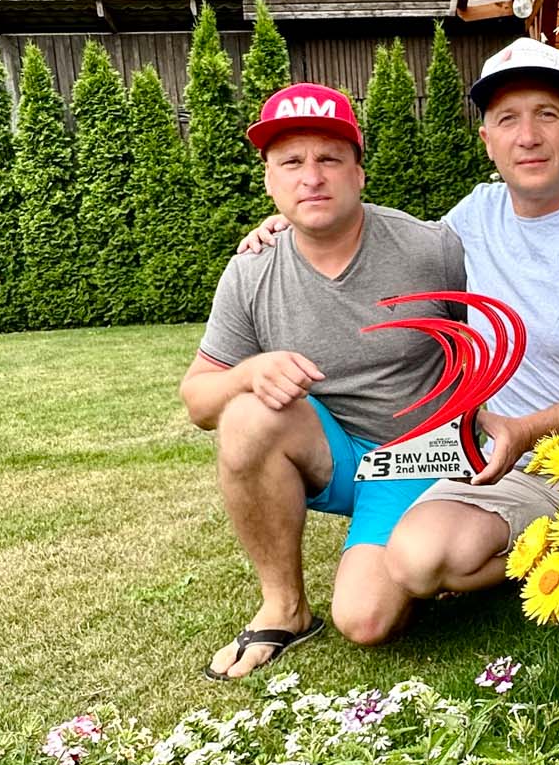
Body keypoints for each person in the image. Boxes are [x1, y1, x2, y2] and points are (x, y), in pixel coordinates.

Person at [241, 38, 559, 644]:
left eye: (546, 114)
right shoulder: (469, 221)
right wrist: (293, 221)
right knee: (416, 558)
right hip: (510, 468)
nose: (527, 136)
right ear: (487, 140)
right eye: (507, 119)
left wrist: (530, 427)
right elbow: (375, 234)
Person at [180, 83, 466, 678]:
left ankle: (434, 549)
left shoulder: (429, 248)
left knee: (364, 621)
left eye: (329, 158)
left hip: (421, 457)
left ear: (359, 173)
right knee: (246, 412)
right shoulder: (251, 270)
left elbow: (486, 347)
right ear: (268, 180)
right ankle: (284, 606)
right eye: (291, 162)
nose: (311, 176)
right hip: (333, 456)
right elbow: (198, 401)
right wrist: (250, 371)